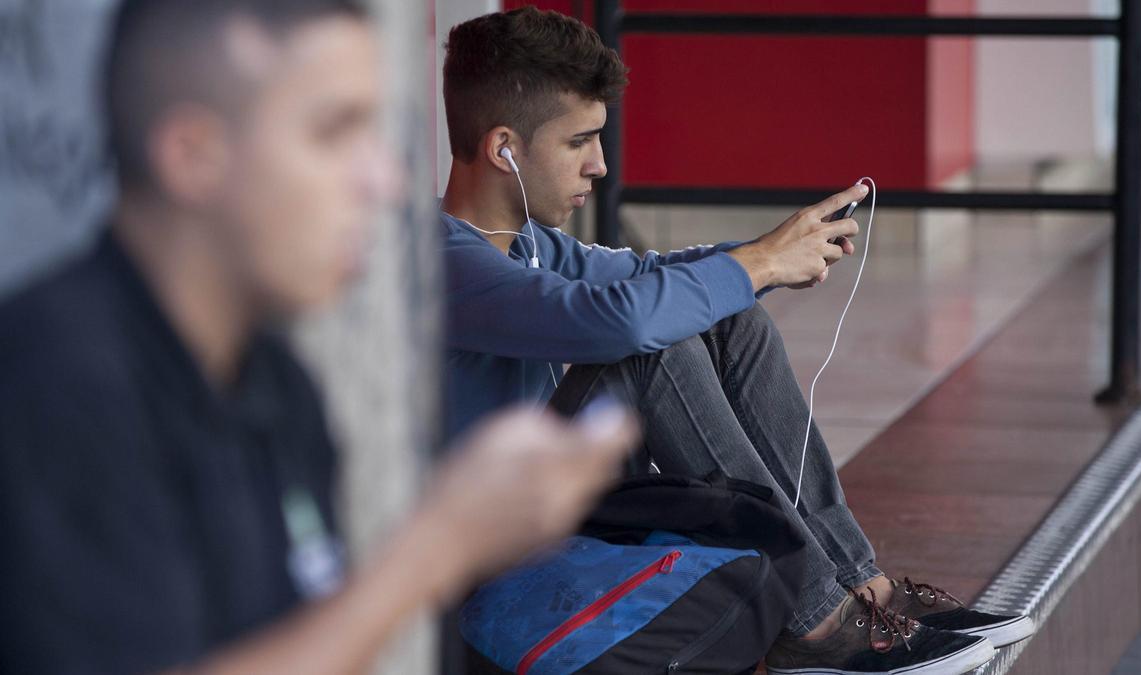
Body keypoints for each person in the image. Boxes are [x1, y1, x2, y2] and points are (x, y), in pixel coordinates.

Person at [0, 2, 639, 674]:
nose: (384, 181)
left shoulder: (279, 384)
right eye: (335, 132)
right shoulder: (45, 381)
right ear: (193, 155)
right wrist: (439, 545)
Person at [438, 7, 1034, 674]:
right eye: (579, 141)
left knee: (729, 314)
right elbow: (617, 320)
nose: (600, 165)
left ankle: (862, 588)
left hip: (558, 505)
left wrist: (774, 252)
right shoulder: (438, 263)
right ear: (504, 148)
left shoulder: (534, 245)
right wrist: (759, 264)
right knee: (653, 344)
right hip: (483, 553)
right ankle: (814, 623)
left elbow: (653, 277)